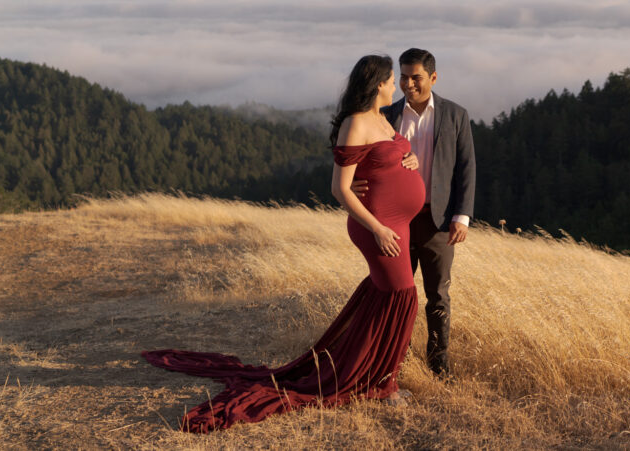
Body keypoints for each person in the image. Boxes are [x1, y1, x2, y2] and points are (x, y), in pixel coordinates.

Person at [142, 55, 425, 432]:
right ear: (378, 83)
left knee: (385, 298)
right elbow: (340, 188)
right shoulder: (356, 123)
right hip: (378, 226)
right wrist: (376, 228)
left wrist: (411, 160)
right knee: (402, 297)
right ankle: (382, 384)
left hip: (397, 224)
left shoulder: (382, 118)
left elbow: (385, 160)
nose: (397, 86)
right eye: (392, 80)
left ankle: (370, 375)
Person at [355, 47, 476, 377]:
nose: (408, 84)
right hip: (395, 222)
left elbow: (466, 167)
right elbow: (360, 156)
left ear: (433, 78)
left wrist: (461, 216)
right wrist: (352, 184)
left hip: (438, 221)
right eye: (403, 77)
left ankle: (439, 365)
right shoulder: (386, 115)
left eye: (416, 78)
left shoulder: (455, 115)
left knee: (438, 295)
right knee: (398, 294)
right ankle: (396, 362)